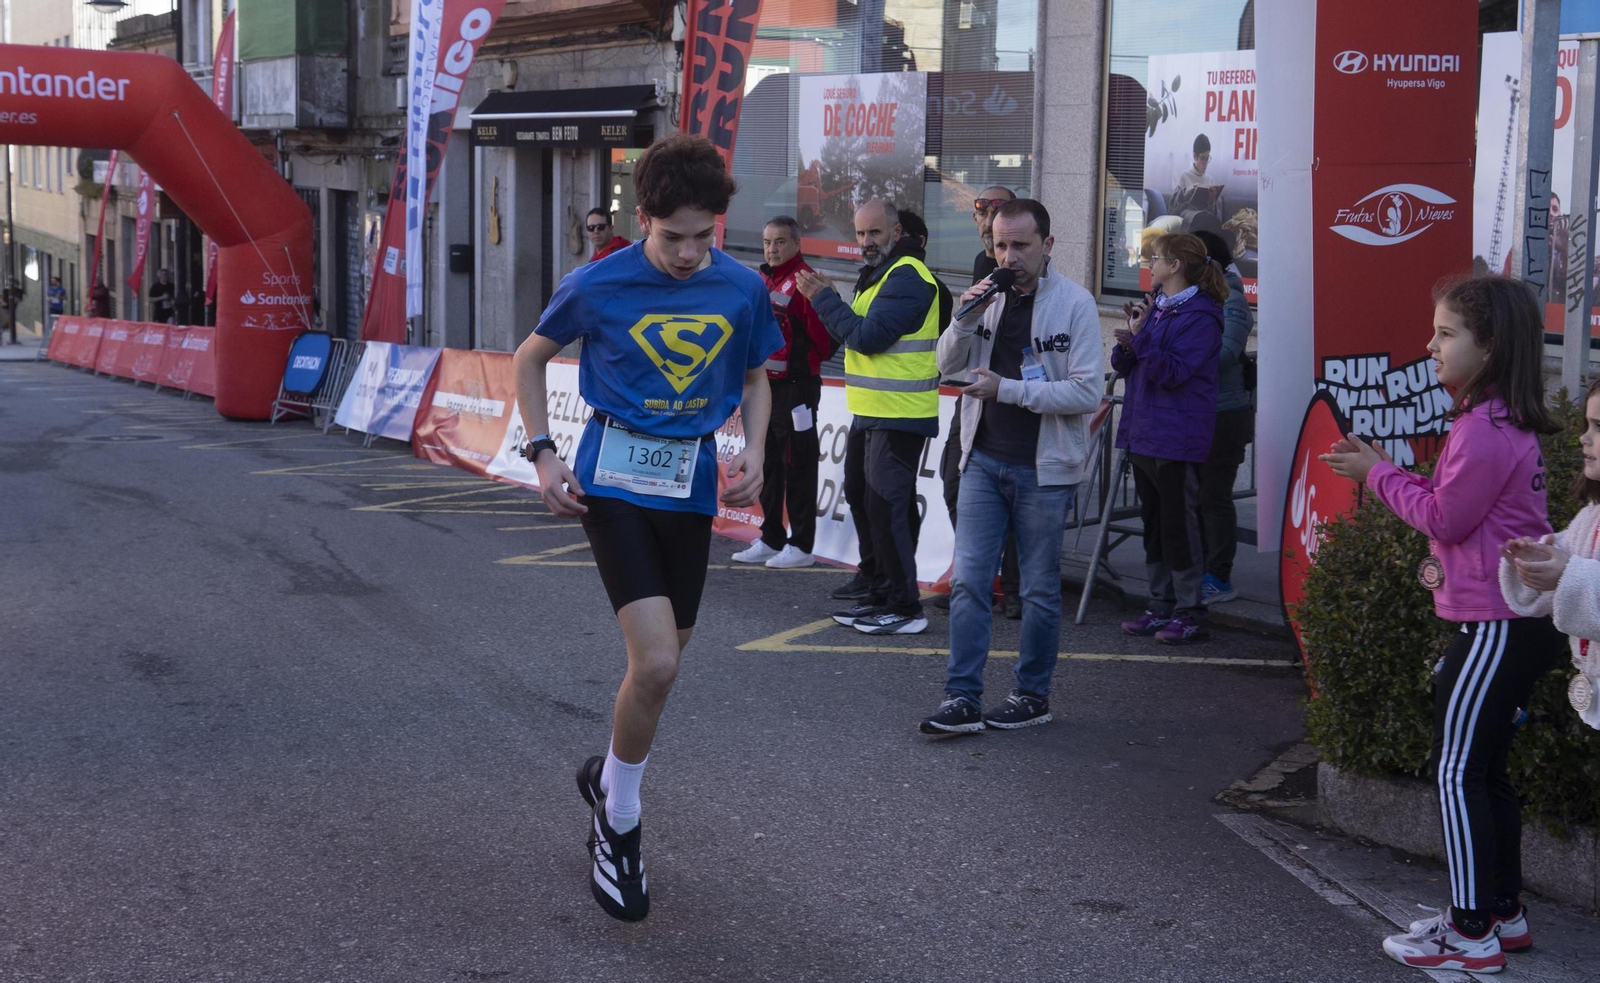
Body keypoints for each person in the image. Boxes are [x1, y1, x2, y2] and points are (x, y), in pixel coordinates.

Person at [511, 133, 780, 923]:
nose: (691, 253)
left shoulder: (742, 286)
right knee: (657, 663)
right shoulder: (598, 282)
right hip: (612, 481)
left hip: (691, 484)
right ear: (643, 219)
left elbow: (759, 375)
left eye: (706, 235)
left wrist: (756, 447)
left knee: (661, 671)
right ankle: (620, 824)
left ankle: (607, 778)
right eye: (673, 238)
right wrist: (543, 452)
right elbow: (529, 359)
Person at [1321, 275, 1564, 974]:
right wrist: (1388, 469)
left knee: (1458, 772)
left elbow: (1441, 518)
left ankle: (1469, 933)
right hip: (1512, 621)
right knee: (1484, 771)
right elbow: (1451, 501)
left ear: (1487, 348)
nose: (1430, 345)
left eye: (1446, 333)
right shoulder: (1493, 423)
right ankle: (1502, 914)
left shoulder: (1484, 431)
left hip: (1495, 624)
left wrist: (1373, 472)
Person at [920, 199, 1105, 734]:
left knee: (1039, 590)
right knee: (971, 582)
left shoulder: (1075, 304)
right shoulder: (989, 297)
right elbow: (946, 363)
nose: (1009, 256)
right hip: (982, 458)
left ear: (1047, 246)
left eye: (1021, 245)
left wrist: (1010, 390)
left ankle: (1031, 694)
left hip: (1044, 470)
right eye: (1000, 245)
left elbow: (1087, 390)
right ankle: (961, 698)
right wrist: (965, 316)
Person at [795, 199, 939, 636]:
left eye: (874, 233)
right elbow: (852, 332)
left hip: (900, 415)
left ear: (896, 233)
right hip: (871, 411)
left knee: (888, 508)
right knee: (862, 497)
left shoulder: (908, 276)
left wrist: (823, 299)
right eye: (859, 234)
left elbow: (867, 337)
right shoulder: (879, 275)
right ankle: (880, 590)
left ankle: (904, 605)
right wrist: (834, 304)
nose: (865, 242)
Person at [1113, 233, 1225, 645]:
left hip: (1177, 436)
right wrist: (1130, 338)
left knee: (1180, 525)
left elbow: (1174, 372)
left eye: (1155, 258)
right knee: (1155, 524)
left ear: (1175, 264)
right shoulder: (1157, 307)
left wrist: (1141, 341)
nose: (1150, 265)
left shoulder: (1202, 316)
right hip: (1145, 430)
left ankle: (1190, 609)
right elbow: (1127, 365)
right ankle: (1160, 604)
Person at [1501, 373, 1600, 735]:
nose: (1583, 438)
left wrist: (1567, 573)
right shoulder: (1591, 515)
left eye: (1599, 426)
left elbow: (1576, 571)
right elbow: (1570, 555)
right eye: (1586, 424)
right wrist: (1538, 559)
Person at [939, 187, 1023, 617]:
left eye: (995, 211)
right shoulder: (983, 264)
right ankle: (977, 575)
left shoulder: (1024, 265)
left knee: (1013, 496)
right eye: (981, 211)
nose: (986, 220)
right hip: (974, 391)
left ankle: (1014, 588)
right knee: (953, 481)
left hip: (1015, 393)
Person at [731, 216, 831, 569]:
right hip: (765, 390)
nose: (772, 249)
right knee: (768, 465)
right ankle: (771, 537)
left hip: (797, 391)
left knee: (798, 466)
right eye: (766, 242)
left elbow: (828, 341)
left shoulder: (808, 282)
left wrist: (801, 364)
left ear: (796, 243)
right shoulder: (762, 280)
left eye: (779, 242)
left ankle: (801, 545)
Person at [1192, 230, 1254, 605]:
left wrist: (1174, 351)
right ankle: (1199, 569)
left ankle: (1219, 577)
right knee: (1195, 497)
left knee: (1213, 498)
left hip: (1225, 415)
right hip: (1197, 413)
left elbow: (1226, 353)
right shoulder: (1190, 296)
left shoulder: (1230, 298)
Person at [1, 277, 23, 344]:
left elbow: (20, 299)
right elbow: (3, 299)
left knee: (8, 323)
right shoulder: (6, 290)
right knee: (5, 322)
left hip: (13, 309)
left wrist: (17, 298)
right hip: (5, 308)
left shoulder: (19, 291)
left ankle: (2, 334)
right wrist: (4, 302)